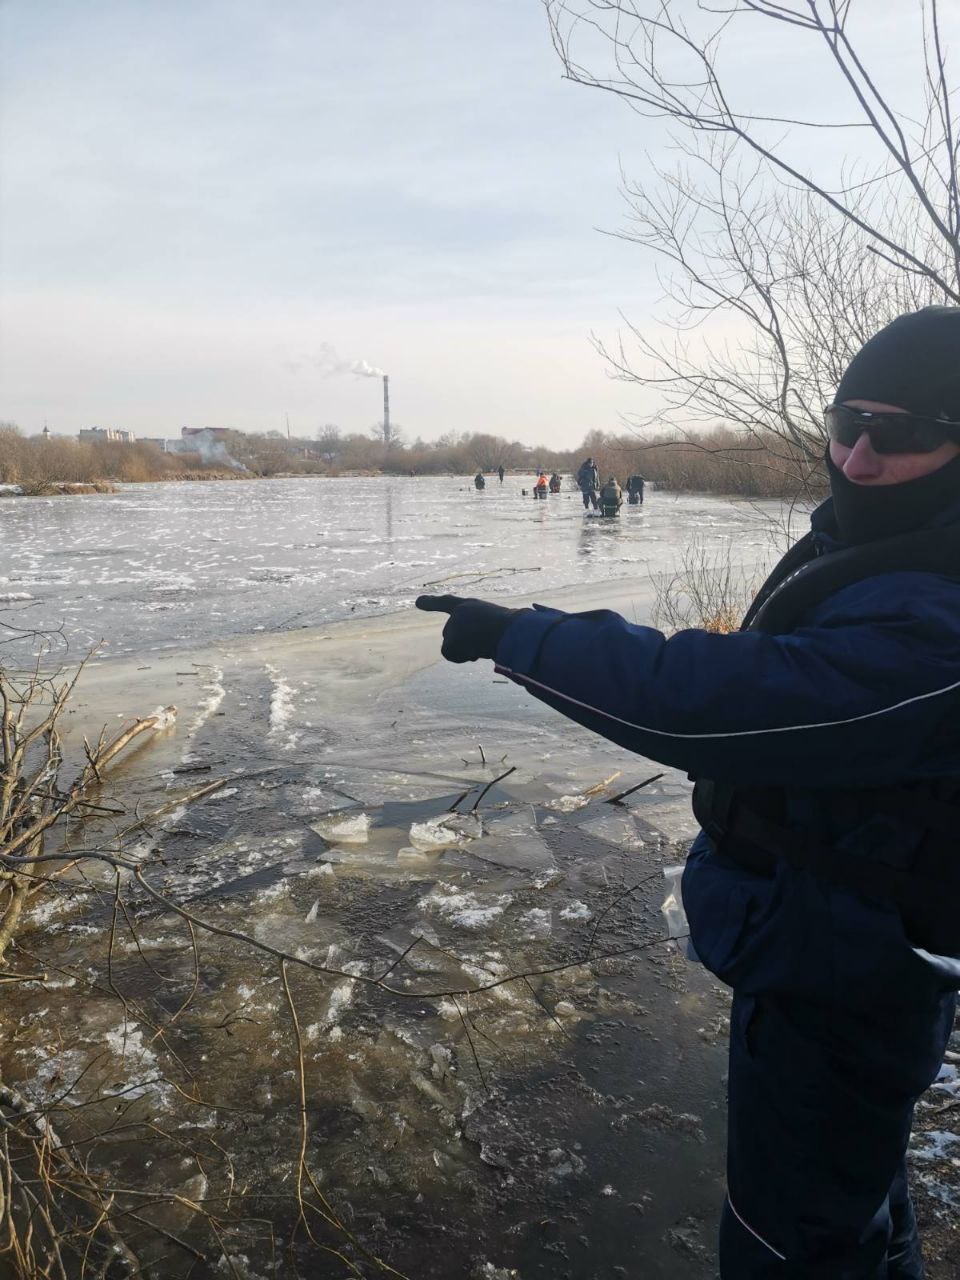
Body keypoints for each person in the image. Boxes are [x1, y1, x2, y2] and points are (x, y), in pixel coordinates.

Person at [416, 307, 960, 1279]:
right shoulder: (897, 549)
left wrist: (521, 635)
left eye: (906, 432)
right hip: (822, 937)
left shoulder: (939, 610)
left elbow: (720, 699)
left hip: (850, 967)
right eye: (849, 422)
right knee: (854, 1204)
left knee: (790, 1239)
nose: (861, 455)